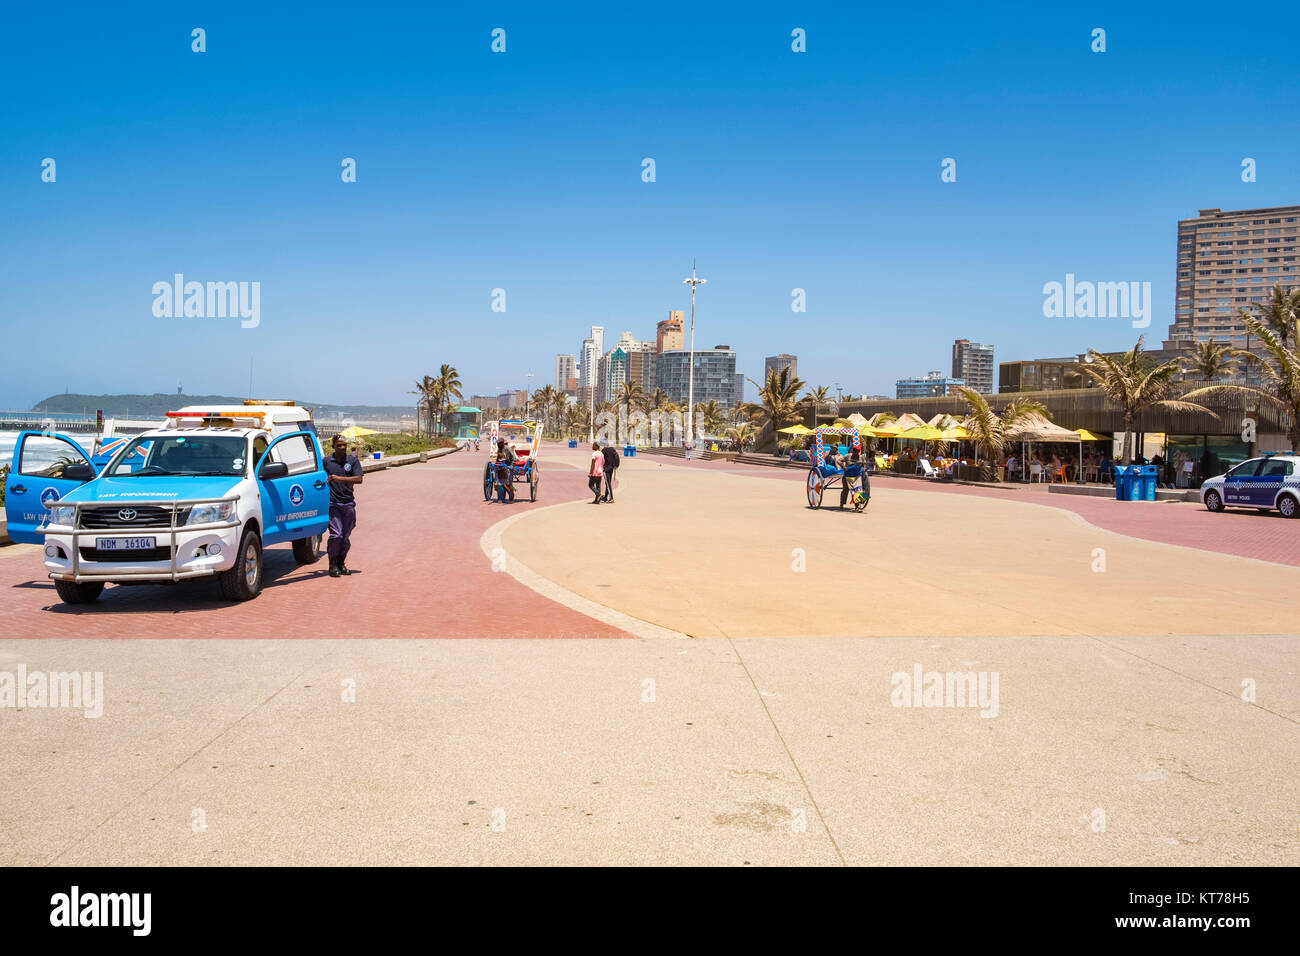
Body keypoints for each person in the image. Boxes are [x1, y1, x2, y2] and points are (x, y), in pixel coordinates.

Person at [323, 434, 364, 578]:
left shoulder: (352, 461)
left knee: (345, 536)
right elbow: (318, 478)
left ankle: (341, 563)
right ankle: (332, 565)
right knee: (336, 534)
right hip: (333, 504)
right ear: (333, 446)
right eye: (339, 445)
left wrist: (338, 478)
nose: (342, 447)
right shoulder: (327, 461)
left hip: (348, 503)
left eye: (344, 445)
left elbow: (359, 479)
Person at [494, 438, 516, 502]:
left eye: (499, 443)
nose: (498, 445)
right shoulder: (499, 449)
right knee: (499, 483)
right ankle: (501, 498)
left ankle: (511, 496)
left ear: (502, 443)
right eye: (498, 444)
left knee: (507, 483)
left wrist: (511, 465)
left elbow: (514, 458)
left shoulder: (508, 449)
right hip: (500, 468)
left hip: (508, 467)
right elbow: (498, 459)